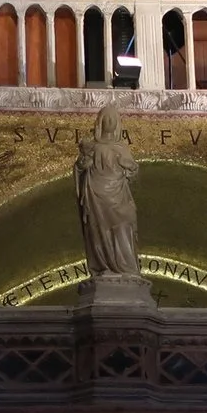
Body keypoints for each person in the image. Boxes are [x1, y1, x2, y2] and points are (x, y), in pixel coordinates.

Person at [75, 99, 141, 279]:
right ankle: (104, 266)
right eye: (107, 119)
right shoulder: (93, 147)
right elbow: (81, 168)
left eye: (113, 119)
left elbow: (133, 172)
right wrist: (83, 160)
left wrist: (130, 167)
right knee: (100, 229)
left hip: (118, 197)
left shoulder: (121, 148)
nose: (110, 122)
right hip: (97, 198)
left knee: (125, 225)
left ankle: (126, 268)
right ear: (101, 123)